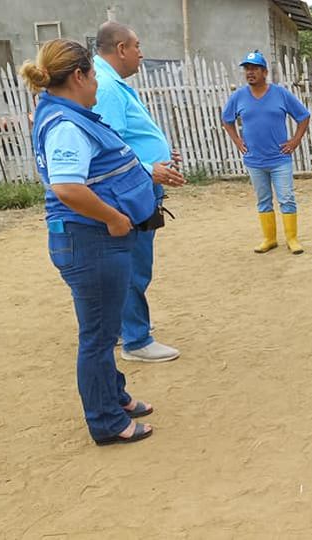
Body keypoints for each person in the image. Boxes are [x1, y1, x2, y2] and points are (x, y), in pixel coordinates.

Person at [20, 39, 156, 445]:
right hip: (90, 240)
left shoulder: (67, 115)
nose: (97, 83)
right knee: (98, 337)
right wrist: (114, 218)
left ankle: (115, 397)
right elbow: (67, 188)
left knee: (104, 328)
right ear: (78, 76)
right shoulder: (66, 125)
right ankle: (106, 421)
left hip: (91, 239)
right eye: (94, 75)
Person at [93, 22, 185, 363]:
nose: (141, 54)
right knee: (133, 264)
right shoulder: (106, 88)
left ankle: (124, 327)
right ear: (121, 49)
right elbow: (108, 147)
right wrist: (149, 168)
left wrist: (156, 155)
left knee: (131, 262)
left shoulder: (108, 83)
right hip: (130, 191)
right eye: (137, 46)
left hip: (136, 186)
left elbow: (124, 140)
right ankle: (136, 339)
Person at [223, 51, 311, 255]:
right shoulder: (239, 97)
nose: (250, 73)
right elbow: (227, 120)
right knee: (263, 200)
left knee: (286, 198)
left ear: (265, 72)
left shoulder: (280, 94)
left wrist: (295, 140)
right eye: (247, 69)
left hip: (280, 159)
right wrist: (237, 141)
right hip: (254, 160)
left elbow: (303, 116)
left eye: (255, 69)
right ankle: (269, 239)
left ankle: (292, 239)